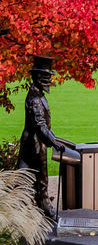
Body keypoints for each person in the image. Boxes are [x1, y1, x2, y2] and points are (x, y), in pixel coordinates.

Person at [17, 55, 79, 220]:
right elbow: (40, 125)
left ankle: (21, 211)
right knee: (40, 180)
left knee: (22, 176)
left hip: (34, 142)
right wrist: (54, 143)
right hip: (35, 145)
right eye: (46, 77)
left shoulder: (37, 95)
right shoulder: (35, 99)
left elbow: (43, 125)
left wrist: (54, 139)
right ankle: (46, 212)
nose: (49, 80)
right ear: (37, 77)